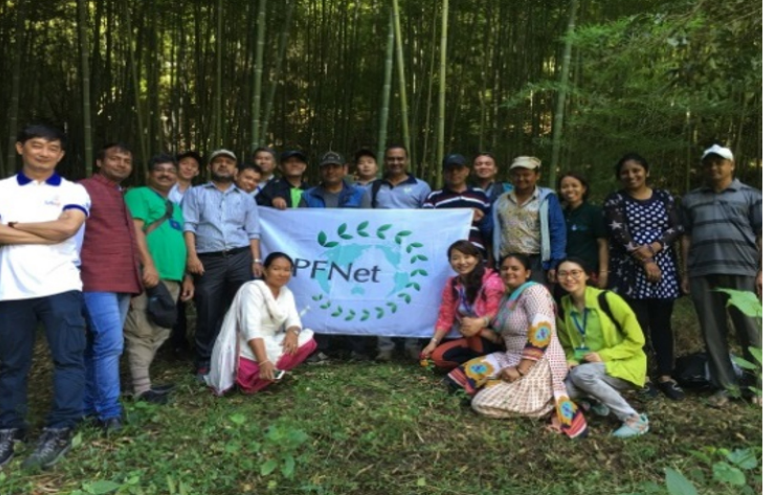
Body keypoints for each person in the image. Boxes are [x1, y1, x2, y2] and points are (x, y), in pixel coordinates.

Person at [0, 125, 90, 470]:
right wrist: (45, 231)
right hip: (10, 289)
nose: (43, 152)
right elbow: (52, 231)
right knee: (11, 364)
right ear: (20, 147)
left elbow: (68, 228)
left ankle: (60, 427)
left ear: (61, 155)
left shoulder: (73, 189)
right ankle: (10, 427)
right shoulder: (3, 189)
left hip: (60, 286)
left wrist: (16, 226)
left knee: (68, 358)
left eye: (52, 148)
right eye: (36, 146)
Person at [445, 254, 587, 439]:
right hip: (512, 355)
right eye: (504, 268)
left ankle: (547, 406)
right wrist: (476, 329)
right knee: (459, 379)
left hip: (540, 360)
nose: (509, 272)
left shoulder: (535, 291)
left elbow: (542, 331)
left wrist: (520, 370)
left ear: (527, 273)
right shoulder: (506, 299)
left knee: (481, 403)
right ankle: (510, 389)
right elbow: (502, 339)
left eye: (515, 268)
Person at [681, 145, 762, 407]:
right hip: (703, 271)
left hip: (743, 269)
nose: (714, 168)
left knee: (750, 330)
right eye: (709, 164)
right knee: (712, 331)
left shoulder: (751, 195)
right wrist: (686, 271)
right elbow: (686, 238)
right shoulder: (691, 199)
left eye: (720, 163)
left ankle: (757, 386)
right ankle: (724, 386)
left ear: (732, 165)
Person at [603, 153, 684, 401]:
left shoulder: (664, 197)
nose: (631, 176)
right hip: (628, 269)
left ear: (646, 172)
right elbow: (619, 232)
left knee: (662, 323)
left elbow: (677, 227)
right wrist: (646, 259)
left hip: (663, 269)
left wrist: (656, 248)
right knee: (636, 324)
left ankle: (666, 376)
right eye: (625, 172)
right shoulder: (615, 199)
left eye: (636, 170)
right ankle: (642, 376)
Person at [182, 149, 263, 379]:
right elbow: (189, 226)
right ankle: (204, 361)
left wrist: (256, 260)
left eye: (229, 162)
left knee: (241, 309)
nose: (224, 165)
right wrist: (192, 257)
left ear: (235, 170)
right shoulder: (195, 193)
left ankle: (238, 358)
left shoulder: (246, 198)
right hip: (209, 259)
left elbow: (252, 232)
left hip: (240, 256)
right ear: (210, 167)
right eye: (219, 162)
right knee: (208, 310)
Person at [79, 142, 143, 433]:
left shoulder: (122, 194)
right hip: (95, 277)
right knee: (111, 344)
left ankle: (86, 405)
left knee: (97, 345)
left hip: (122, 279)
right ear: (99, 162)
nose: (121, 163)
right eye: (114, 158)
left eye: (126, 159)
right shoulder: (83, 189)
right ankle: (109, 411)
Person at [123, 154, 194, 404]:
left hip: (172, 276)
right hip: (148, 274)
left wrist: (187, 277)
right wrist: (148, 265)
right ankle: (142, 389)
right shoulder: (138, 195)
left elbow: (181, 242)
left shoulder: (174, 207)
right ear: (149, 174)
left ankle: (138, 382)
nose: (165, 174)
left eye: (170, 171)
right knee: (141, 330)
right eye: (159, 170)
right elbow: (134, 231)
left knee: (162, 328)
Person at [555, 257, 650, 438]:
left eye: (575, 273)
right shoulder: (564, 307)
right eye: (563, 274)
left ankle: (634, 419)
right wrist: (572, 359)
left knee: (581, 374)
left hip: (625, 365)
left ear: (587, 276)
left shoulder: (607, 299)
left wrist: (605, 355)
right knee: (564, 390)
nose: (569, 278)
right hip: (590, 368)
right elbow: (568, 345)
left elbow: (637, 339)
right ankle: (597, 401)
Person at [206, 252, 317, 395]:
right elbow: (250, 328)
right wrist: (263, 361)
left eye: (286, 270)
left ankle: (265, 376)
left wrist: (292, 333)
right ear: (265, 270)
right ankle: (252, 379)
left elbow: (293, 320)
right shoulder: (252, 289)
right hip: (247, 342)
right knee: (271, 354)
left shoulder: (286, 293)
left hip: (269, 339)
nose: (282, 274)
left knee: (307, 340)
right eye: (276, 269)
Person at [360, 144, 432, 361]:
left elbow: (430, 220)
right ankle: (385, 346)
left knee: (412, 294)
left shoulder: (421, 187)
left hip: (412, 251)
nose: (395, 163)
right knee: (383, 295)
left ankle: (412, 343)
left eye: (400, 159)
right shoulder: (373, 188)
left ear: (407, 160)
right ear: (385, 161)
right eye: (391, 159)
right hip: (382, 252)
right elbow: (364, 221)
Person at [298, 151, 369, 361]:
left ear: (344, 169)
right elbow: (300, 226)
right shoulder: (308, 196)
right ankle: (321, 347)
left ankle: (356, 348)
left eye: (335, 166)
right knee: (321, 296)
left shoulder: (359, 194)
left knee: (353, 298)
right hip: (320, 254)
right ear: (321, 170)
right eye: (326, 167)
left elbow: (368, 223)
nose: (331, 170)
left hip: (352, 256)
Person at [420, 240, 504, 370]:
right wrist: (433, 342)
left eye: (467, 257)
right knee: (438, 357)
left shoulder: (491, 280)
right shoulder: (452, 284)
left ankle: (482, 367)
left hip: (493, 337)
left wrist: (478, 326)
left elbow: (495, 312)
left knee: (473, 335)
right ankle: (475, 367)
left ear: (476, 259)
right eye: (456, 258)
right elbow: (445, 317)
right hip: (470, 334)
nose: (462, 262)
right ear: (450, 262)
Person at [491, 156, 566, 284]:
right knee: (509, 302)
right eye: (517, 175)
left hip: (536, 262)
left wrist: (555, 263)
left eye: (526, 175)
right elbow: (492, 228)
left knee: (536, 300)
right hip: (507, 262)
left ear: (537, 176)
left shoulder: (546, 198)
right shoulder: (500, 200)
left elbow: (557, 230)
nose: (521, 179)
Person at [423, 154, 492, 257]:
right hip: (444, 253)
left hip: (476, 252)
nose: (454, 173)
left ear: (467, 171)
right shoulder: (434, 197)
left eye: (458, 169)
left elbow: (491, 229)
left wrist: (482, 218)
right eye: (450, 169)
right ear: (443, 173)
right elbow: (426, 227)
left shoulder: (480, 195)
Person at [557, 172, 609, 289]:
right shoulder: (559, 214)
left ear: (583, 189)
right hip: (563, 272)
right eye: (565, 186)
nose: (570, 190)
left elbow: (603, 244)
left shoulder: (594, 212)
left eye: (574, 185)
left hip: (587, 272)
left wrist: (603, 272)